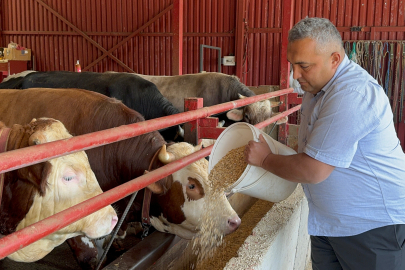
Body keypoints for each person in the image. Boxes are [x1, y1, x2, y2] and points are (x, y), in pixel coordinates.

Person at [244, 17, 405, 270]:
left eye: (303, 66)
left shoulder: (351, 94)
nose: (295, 76)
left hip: (371, 227)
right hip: (330, 223)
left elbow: (312, 169)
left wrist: (265, 159)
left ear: (334, 60)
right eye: (292, 65)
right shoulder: (317, 89)